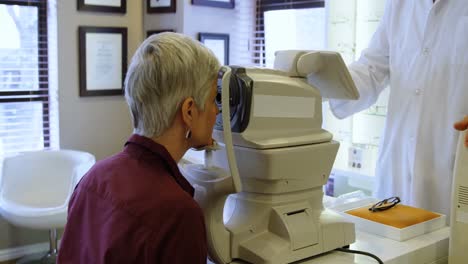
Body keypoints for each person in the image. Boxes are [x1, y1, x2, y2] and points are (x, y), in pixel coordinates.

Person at [58, 33, 220, 263]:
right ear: (189, 111)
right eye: (214, 99)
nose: (217, 112)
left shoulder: (92, 179)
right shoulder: (178, 213)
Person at [329, 0, 468, 217]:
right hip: (396, 174)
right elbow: (372, 69)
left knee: (454, 246)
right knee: (391, 248)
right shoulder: (399, 4)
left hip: (453, 175)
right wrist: (327, 79)